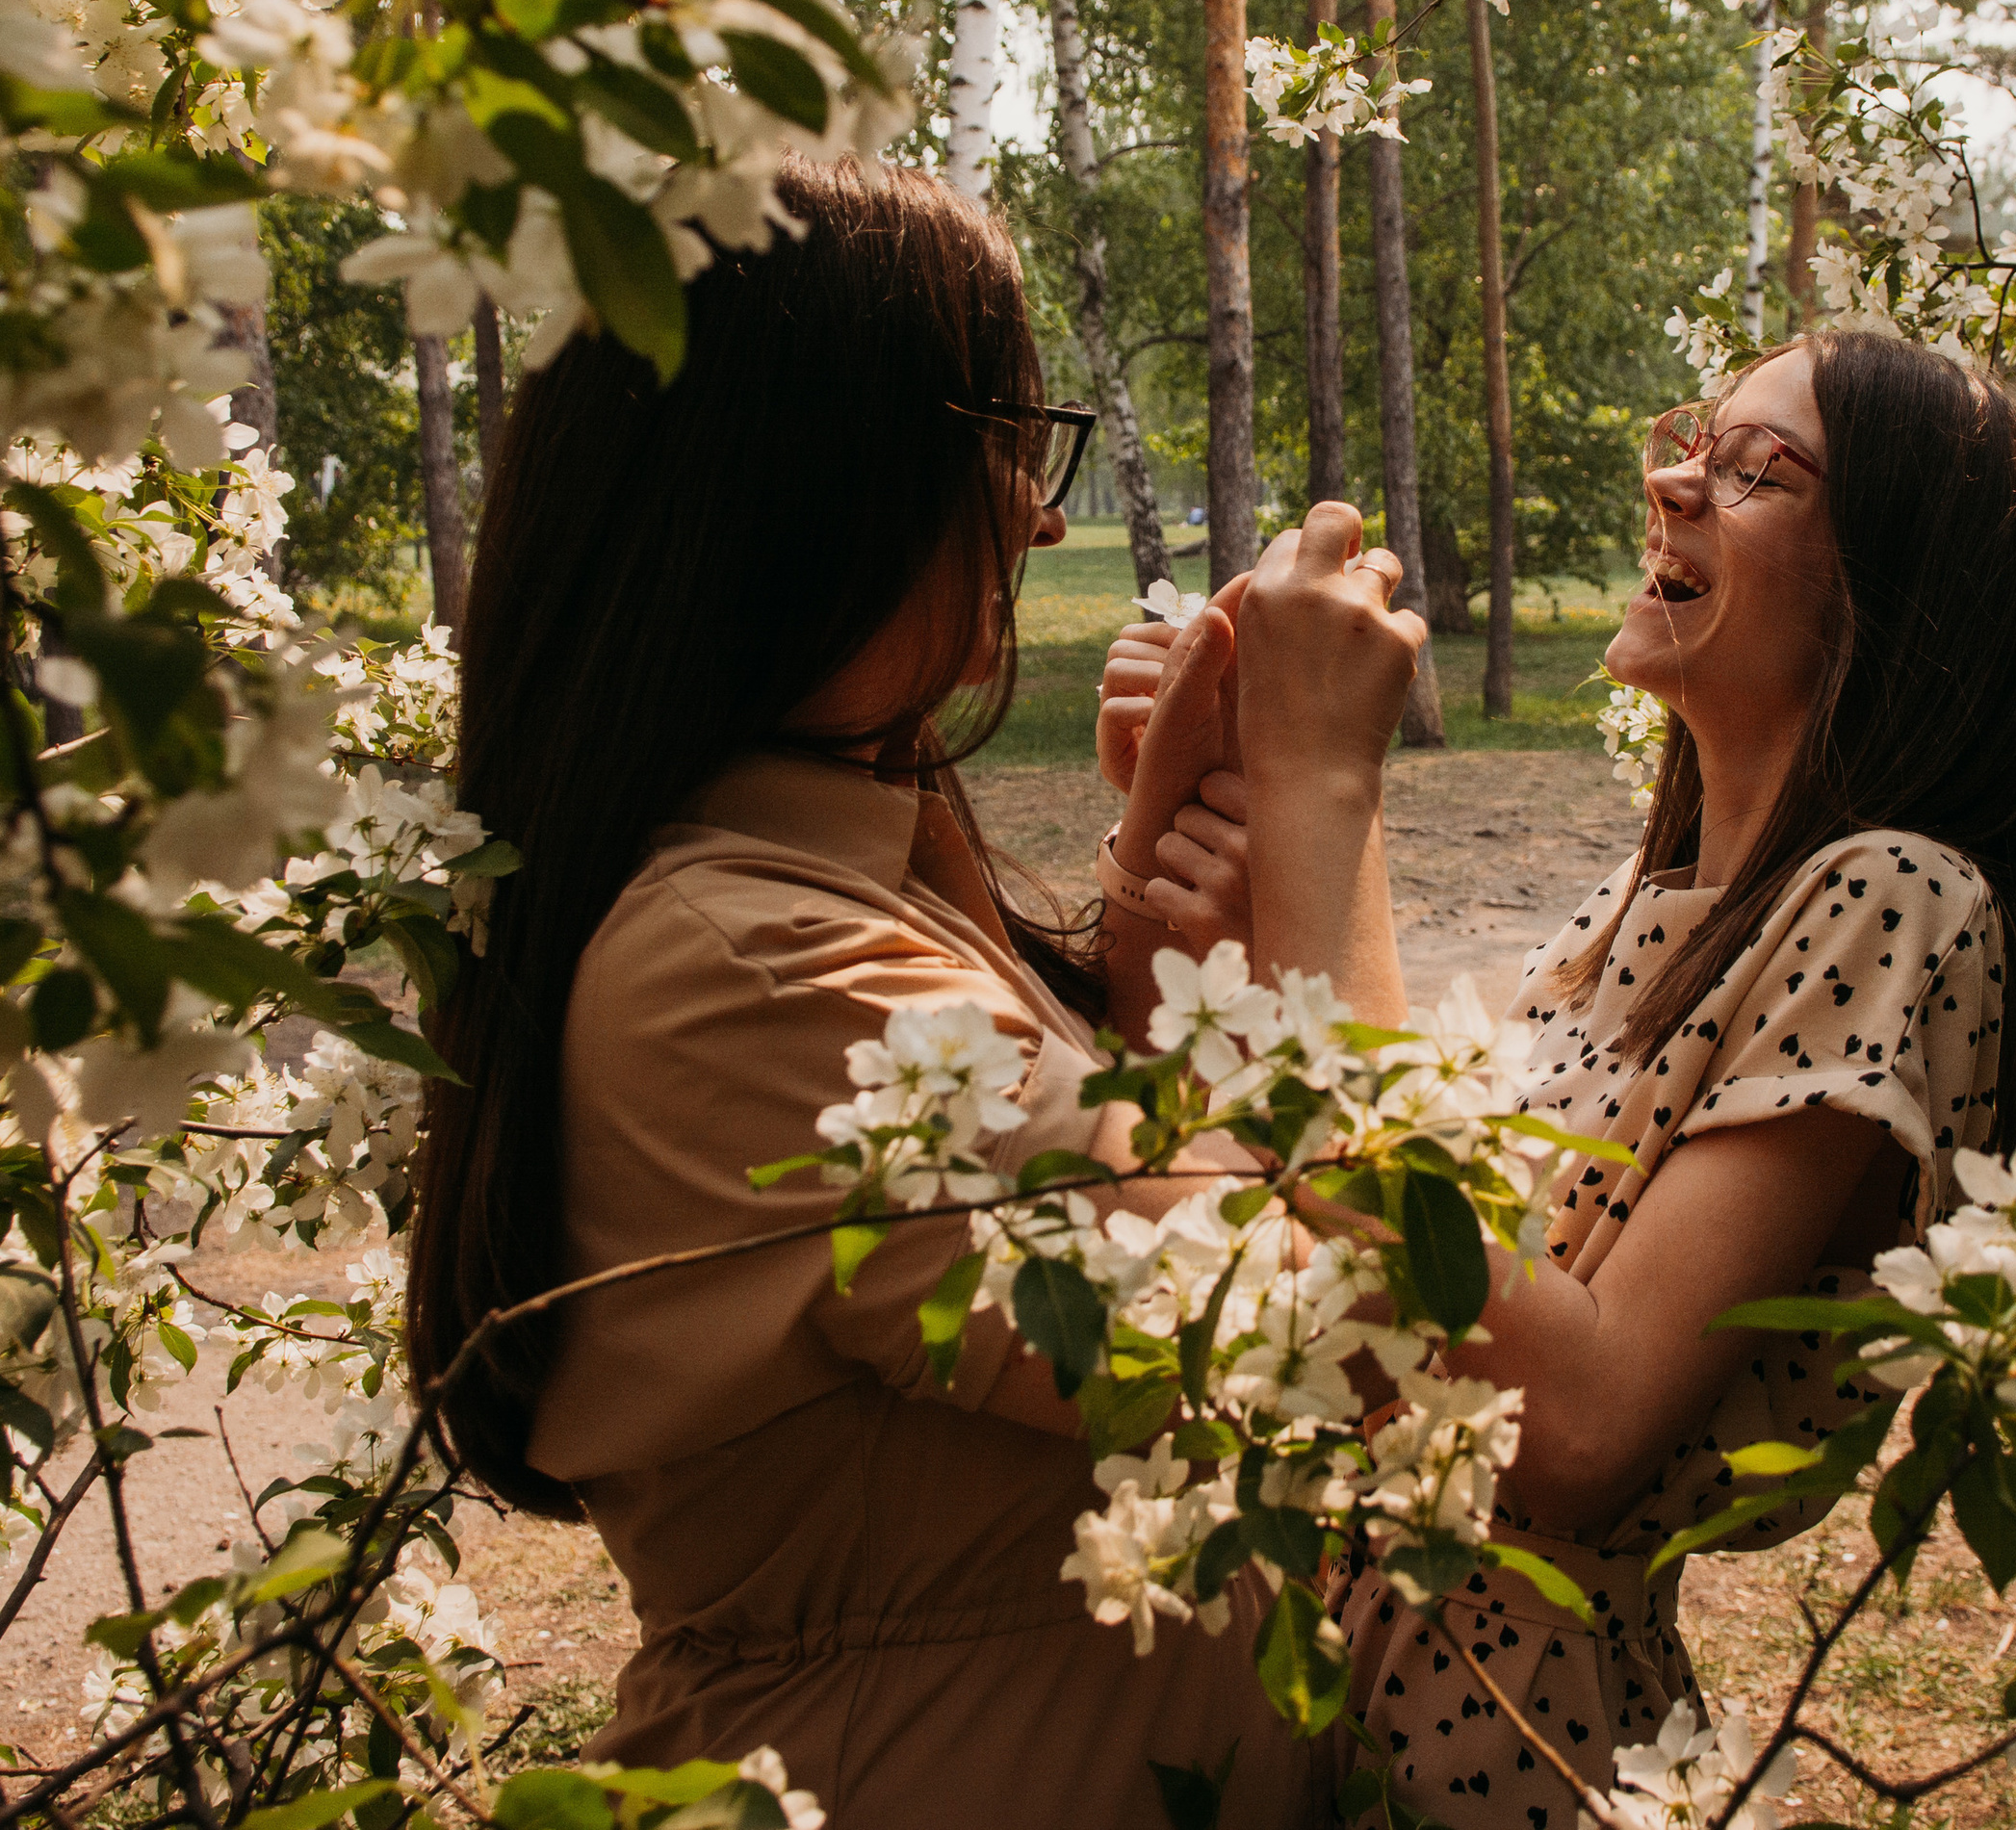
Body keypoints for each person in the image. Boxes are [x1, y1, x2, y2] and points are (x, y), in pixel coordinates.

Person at [404, 159, 1327, 1830]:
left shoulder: (835, 871)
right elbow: (1306, 1342)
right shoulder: (749, 963)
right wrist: (1330, 818)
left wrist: (1155, 869)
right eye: (1009, 441)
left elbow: (1109, 1195)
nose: (1041, 518)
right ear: (819, 480)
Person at [1108, 330, 2016, 1823]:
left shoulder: (1900, 898)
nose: (1672, 484)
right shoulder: (1618, 926)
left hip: (1500, 1746)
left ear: (1902, 590)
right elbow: (1387, 1270)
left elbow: (1573, 1429)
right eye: (1696, 441)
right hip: (1315, 1679)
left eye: (1758, 470)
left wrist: (1325, 787)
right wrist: (1225, 827)